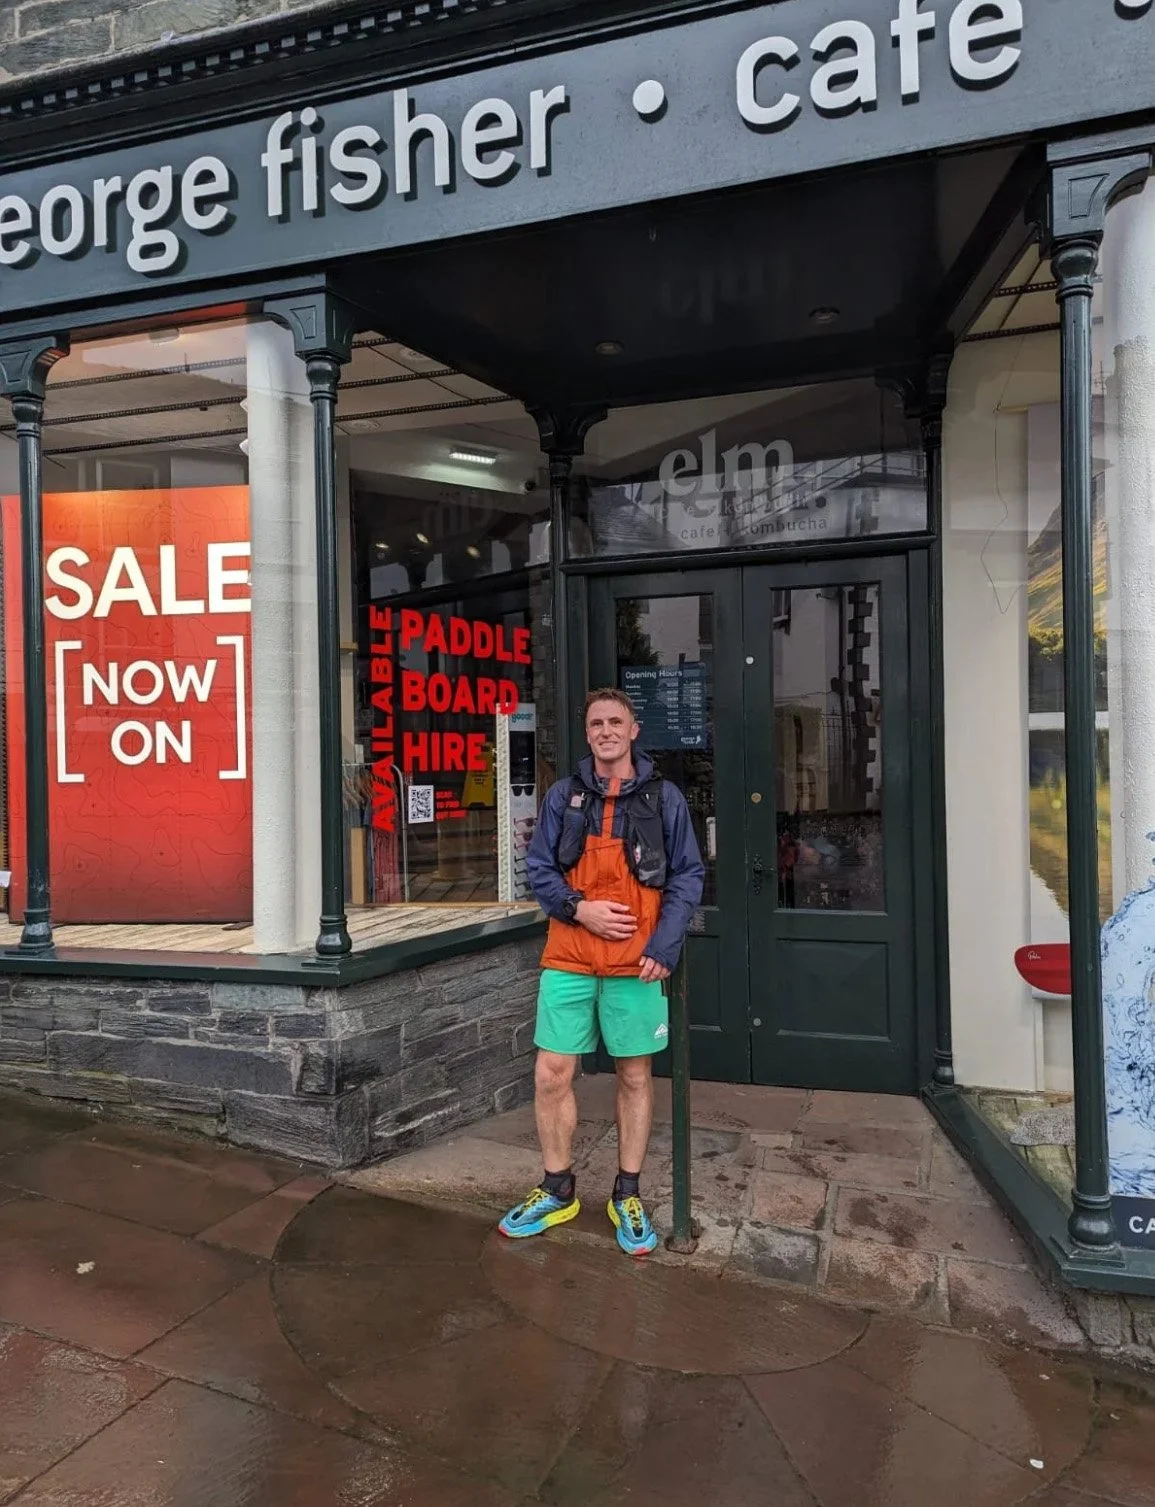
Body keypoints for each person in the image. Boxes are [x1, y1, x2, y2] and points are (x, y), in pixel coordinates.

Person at [498, 687, 705, 1256]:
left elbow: (688, 876)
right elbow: (539, 868)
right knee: (551, 1074)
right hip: (568, 954)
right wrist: (578, 908)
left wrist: (666, 946)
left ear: (634, 730)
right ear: (587, 734)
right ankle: (557, 1186)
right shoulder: (563, 796)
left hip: (637, 962)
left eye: (616, 721)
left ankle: (627, 1191)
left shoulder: (665, 799)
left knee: (635, 1076)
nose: (606, 730)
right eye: (596, 723)